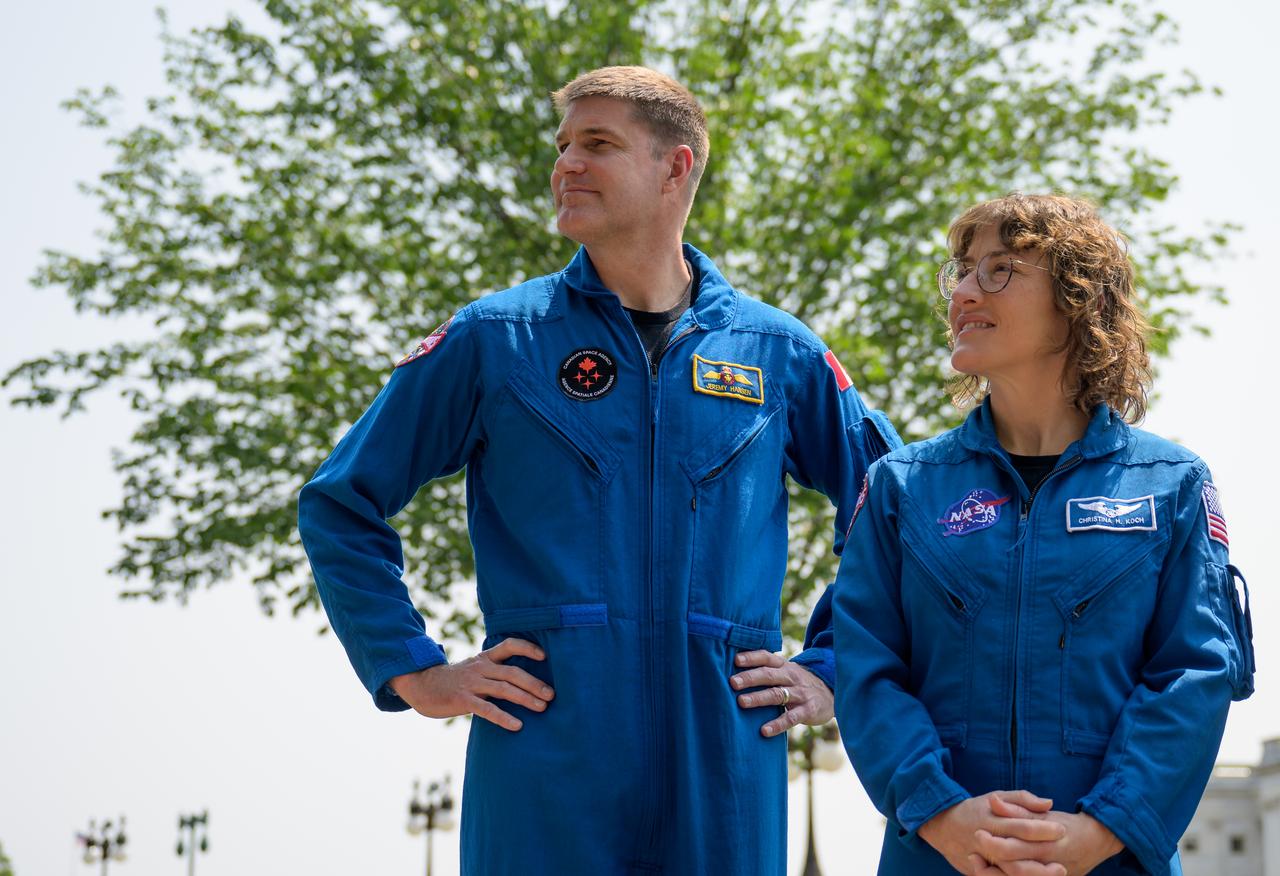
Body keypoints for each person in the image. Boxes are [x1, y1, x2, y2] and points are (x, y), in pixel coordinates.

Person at [297, 65, 899, 875]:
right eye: (563, 145)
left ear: (675, 167)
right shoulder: (496, 339)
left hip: (724, 762)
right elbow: (340, 503)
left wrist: (829, 668)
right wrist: (413, 669)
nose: (565, 165)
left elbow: (894, 511)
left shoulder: (778, 353)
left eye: (598, 144)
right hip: (545, 761)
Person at [830, 193, 1255, 875]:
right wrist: (940, 811)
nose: (965, 291)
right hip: (938, 856)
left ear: (1077, 301)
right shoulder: (901, 486)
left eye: (999, 271)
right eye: (962, 271)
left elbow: (1194, 673)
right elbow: (865, 669)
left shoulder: (1171, 484)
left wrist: (1102, 829)